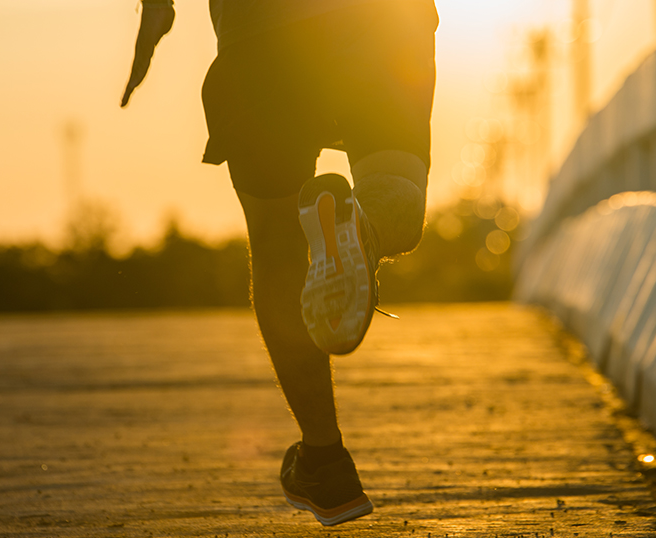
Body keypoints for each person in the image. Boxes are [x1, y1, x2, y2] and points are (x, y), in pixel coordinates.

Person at [121, 0, 437, 526]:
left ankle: (325, 463)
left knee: (275, 241)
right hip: (383, 22)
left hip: (260, 31)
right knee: (396, 190)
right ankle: (365, 227)